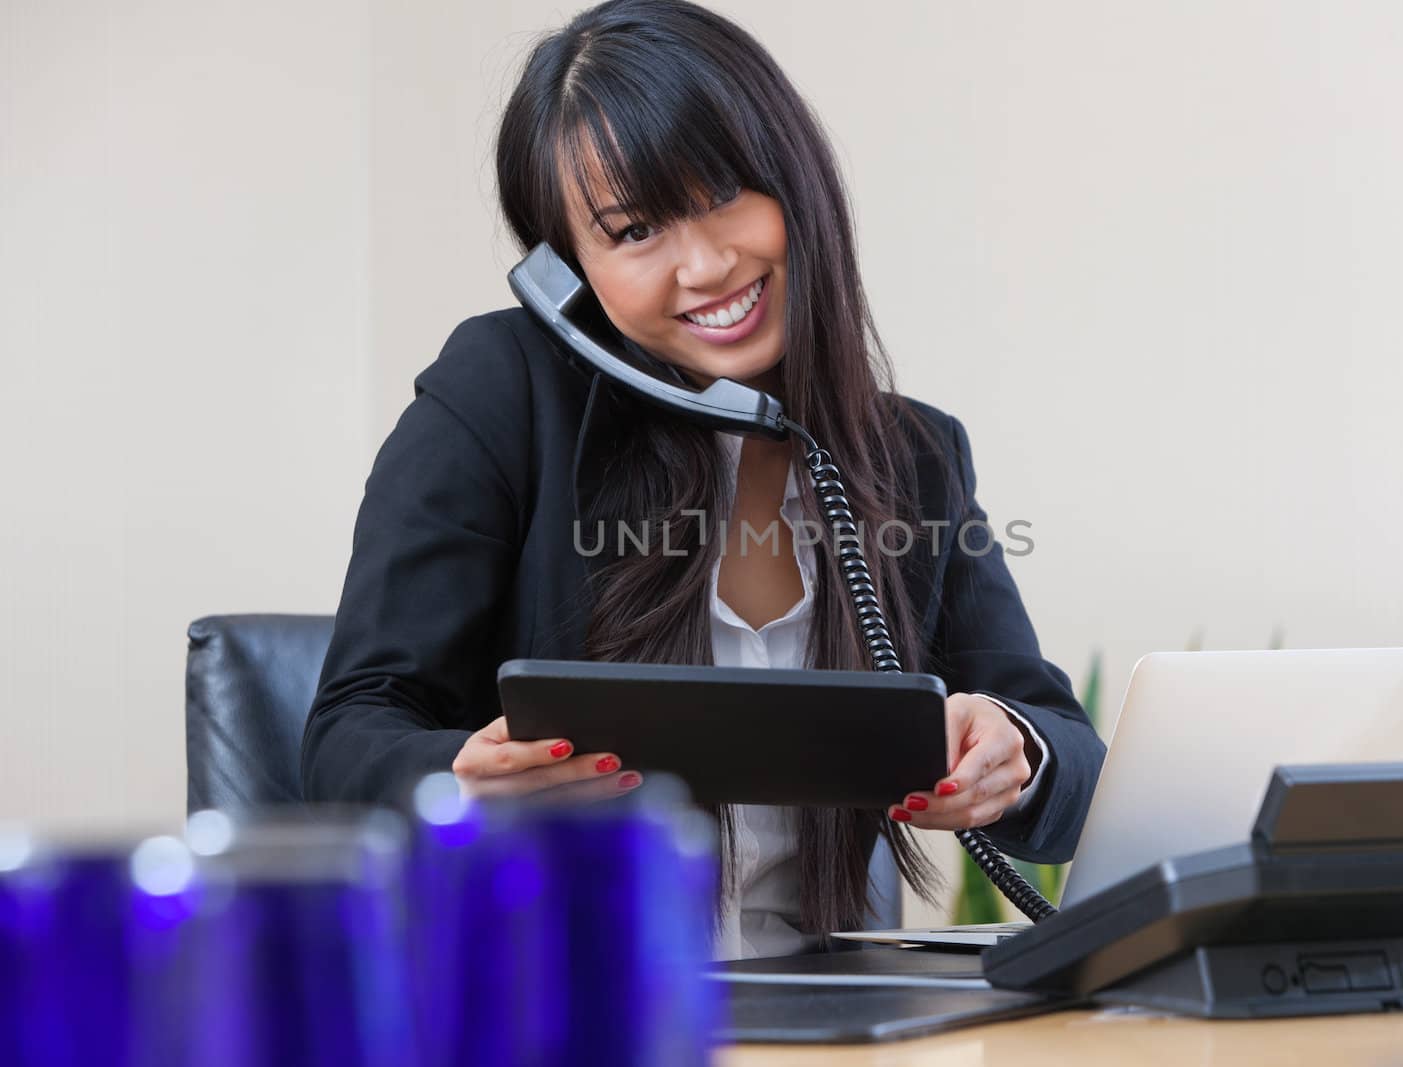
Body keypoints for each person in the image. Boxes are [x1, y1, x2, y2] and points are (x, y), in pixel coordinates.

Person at [300, 0, 1104, 959]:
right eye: (635, 230)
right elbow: (350, 731)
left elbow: (1078, 769)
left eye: (724, 192)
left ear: (795, 182)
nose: (707, 263)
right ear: (567, 277)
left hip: (831, 1009)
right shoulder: (501, 392)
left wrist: (1014, 751)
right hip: (574, 1004)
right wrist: (456, 779)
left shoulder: (913, 456)